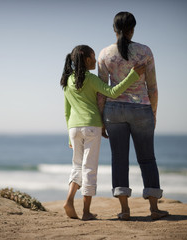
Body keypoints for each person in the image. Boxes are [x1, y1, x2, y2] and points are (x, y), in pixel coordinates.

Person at [97, 12, 169, 221]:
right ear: (132, 29)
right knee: (147, 158)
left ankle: (124, 210)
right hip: (141, 110)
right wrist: (153, 114)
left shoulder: (104, 54)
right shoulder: (145, 51)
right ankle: (154, 209)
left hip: (113, 111)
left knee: (119, 159)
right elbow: (152, 87)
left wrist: (102, 119)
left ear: (114, 29)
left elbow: (102, 91)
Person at [61, 45, 145, 220]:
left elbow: (67, 111)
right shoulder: (90, 78)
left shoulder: (67, 80)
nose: (95, 60)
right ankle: (85, 212)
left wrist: (69, 133)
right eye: (93, 56)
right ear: (86, 59)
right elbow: (112, 92)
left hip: (74, 129)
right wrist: (133, 76)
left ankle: (69, 200)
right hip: (91, 126)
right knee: (89, 168)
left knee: (77, 166)